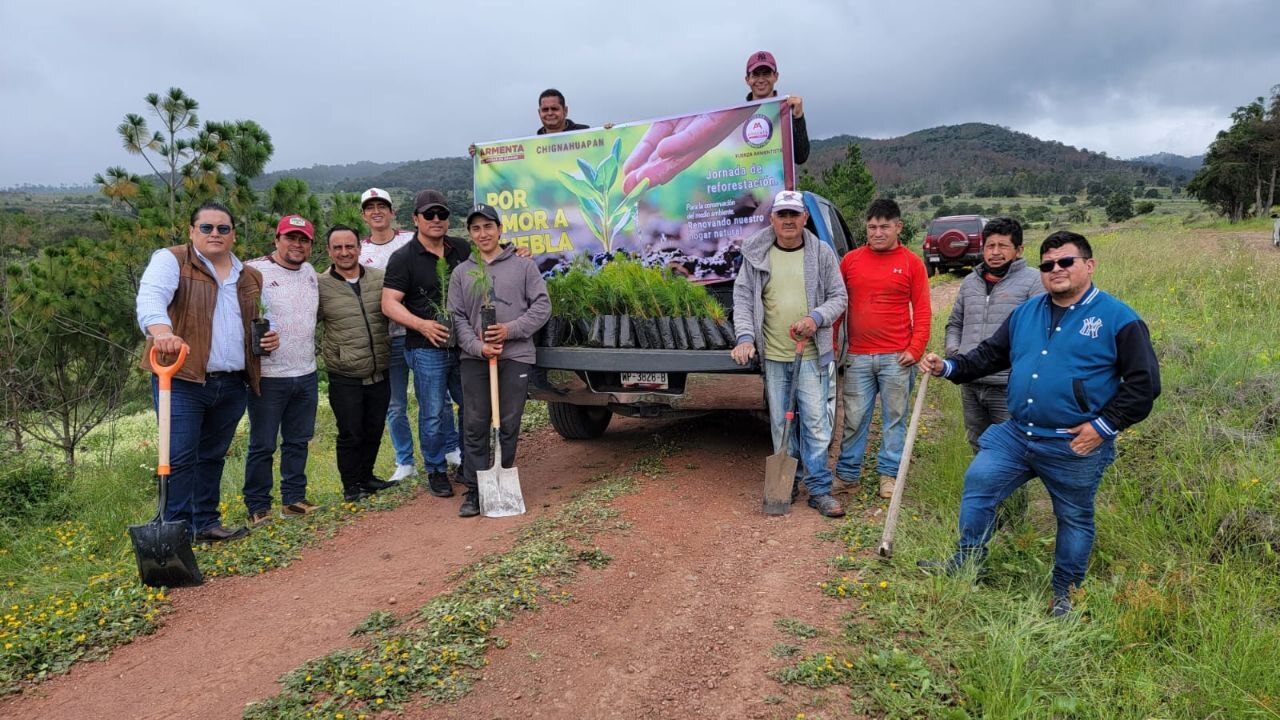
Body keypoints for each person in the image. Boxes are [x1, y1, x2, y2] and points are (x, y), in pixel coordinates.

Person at [919, 231, 1161, 617]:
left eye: (1066, 261)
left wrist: (1102, 427)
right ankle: (966, 563)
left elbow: (1144, 385)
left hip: (1073, 443)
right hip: (1017, 434)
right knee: (980, 483)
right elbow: (988, 356)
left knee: (1074, 517)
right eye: (1048, 264)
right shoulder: (1027, 313)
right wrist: (948, 366)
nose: (1056, 270)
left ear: (1089, 265)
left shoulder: (1120, 319)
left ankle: (1066, 593)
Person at [135, 201, 279, 543]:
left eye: (223, 229)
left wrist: (266, 340)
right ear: (191, 231)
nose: (215, 234)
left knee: (213, 456)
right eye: (207, 228)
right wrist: (162, 332)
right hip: (183, 378)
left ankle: (206, 523)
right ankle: (176, 532)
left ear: (232, 235)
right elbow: (151, 299)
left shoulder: (250, 276)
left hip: (232, 383)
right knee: (180, 457)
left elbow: (252, 324)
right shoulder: (171, 260)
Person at [731, 190, 847, 517]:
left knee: (814, 422)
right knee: (782, 425)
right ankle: (789, 483)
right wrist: (744, 337)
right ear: (772, 219)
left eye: (794, 215)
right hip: (775, 357)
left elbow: (840, 297)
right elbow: (742, 300)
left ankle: (820, 489)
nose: (788, 221)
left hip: (809, 356)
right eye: (782, 214)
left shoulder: (821, 253)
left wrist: (815, 318)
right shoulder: (757, 254)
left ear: (804, 218)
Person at [448, 204, 551, 517]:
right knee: (475, 424)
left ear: (499, 229)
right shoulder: (461, 272)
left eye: (488, 227)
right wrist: (478, 347)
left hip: (515, 356)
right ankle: (475, 490)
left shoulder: (523, 267)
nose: (483, 234)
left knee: (508, 423)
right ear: (470, 234)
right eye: (476, 229)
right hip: (475, 360)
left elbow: (542, 307)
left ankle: (502, 479)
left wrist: (509, 331)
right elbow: (457, 317)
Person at [944, 217, 1045, 521]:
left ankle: (1014, 518)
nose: (996, 252)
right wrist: (955, 353)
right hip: (971, 384)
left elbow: (1039, 331)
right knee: (979, 447)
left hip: (1009, 387)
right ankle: (989, 514)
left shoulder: (1033, 281)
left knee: (1013, 453)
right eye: (990, 246)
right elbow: (955, 323)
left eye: (1003, 245)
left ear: (1018, 249)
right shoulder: (970, 282)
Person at [358, 188, 461, 483]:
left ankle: (451, 448)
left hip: (430, 336)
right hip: (388, 336)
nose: (377, 212)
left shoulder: (413, 239)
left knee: (437, 400)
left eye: (382, 206)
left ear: (394, 212)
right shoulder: (360, 251)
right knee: (396, 404)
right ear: (364, 215)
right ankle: (405, 461)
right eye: (370, 207)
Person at [836, 198, 931, 499]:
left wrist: (915, 350)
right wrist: (831, 347)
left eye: (884, 227)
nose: (877, 233)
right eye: (872, 227)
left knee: (894, 420)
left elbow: (924, 311)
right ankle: (848, 475)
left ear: (898, 227)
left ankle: (888, 476)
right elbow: (838, 308)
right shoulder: (850, 261)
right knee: (853, 418)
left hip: (897, 359)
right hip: (858, 357)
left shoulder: (912, 263)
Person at [382, 189, 471, 498]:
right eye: (429, 215)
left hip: (463, 345)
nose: (436, 220)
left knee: (470, 406)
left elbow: (489, 266)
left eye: (442, 214)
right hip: (424, 348)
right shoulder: (403, 258)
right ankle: (435, 469)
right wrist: (421, 324)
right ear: (415, 219)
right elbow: (389, 303)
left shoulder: (461, 249)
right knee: (432, 412)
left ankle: (468, 464)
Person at [243, 215, 322, 524]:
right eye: (291, 237)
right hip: (269, 375)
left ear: (311, 246)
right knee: (262, 444)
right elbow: (236, 313)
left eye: (303, 239)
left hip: (305, 371)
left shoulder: (311, 272)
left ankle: (293, 499)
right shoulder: (253, 271)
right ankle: (258, 506)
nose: (297, 244)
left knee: (298, 440)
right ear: (276, 239)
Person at [318, 225, 398, 502]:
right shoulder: (320, 285)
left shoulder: (380, 278)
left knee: (374, 428)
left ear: (359, 248)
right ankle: (351, 486)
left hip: (380, 367)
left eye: (349, 246)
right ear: (329, 251)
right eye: (337, 247)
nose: (344, 252)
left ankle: (367, 476)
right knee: (350, 432)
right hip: (344, 372)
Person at [744, 50, 809, 165]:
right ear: (747, 79)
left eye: (766, 73)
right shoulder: (739, 117)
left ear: (776, 76)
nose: (761, 79)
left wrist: (798, 118)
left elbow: (801, 157)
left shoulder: (788, 112)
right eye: (755, 74)